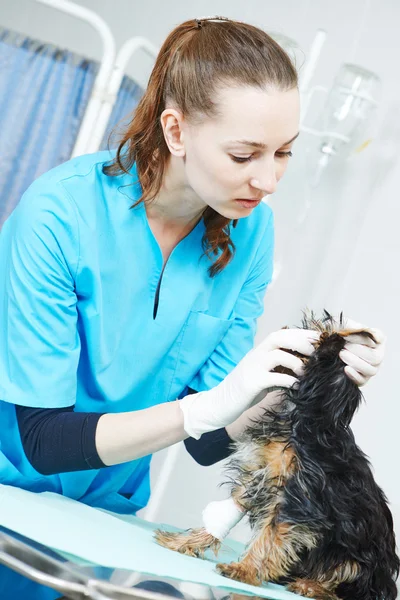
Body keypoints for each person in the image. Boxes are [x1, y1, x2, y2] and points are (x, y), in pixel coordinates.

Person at [0, 16, 385, 599]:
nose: (268, 178)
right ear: (176, 131)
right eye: (245, 154)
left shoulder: (250, 234)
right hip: (12, 500)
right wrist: (205, 408)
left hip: (103, 522)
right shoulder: (58, 217)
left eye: (283, 152)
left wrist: (292, 380)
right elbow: (43, 440)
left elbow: (207, 442)